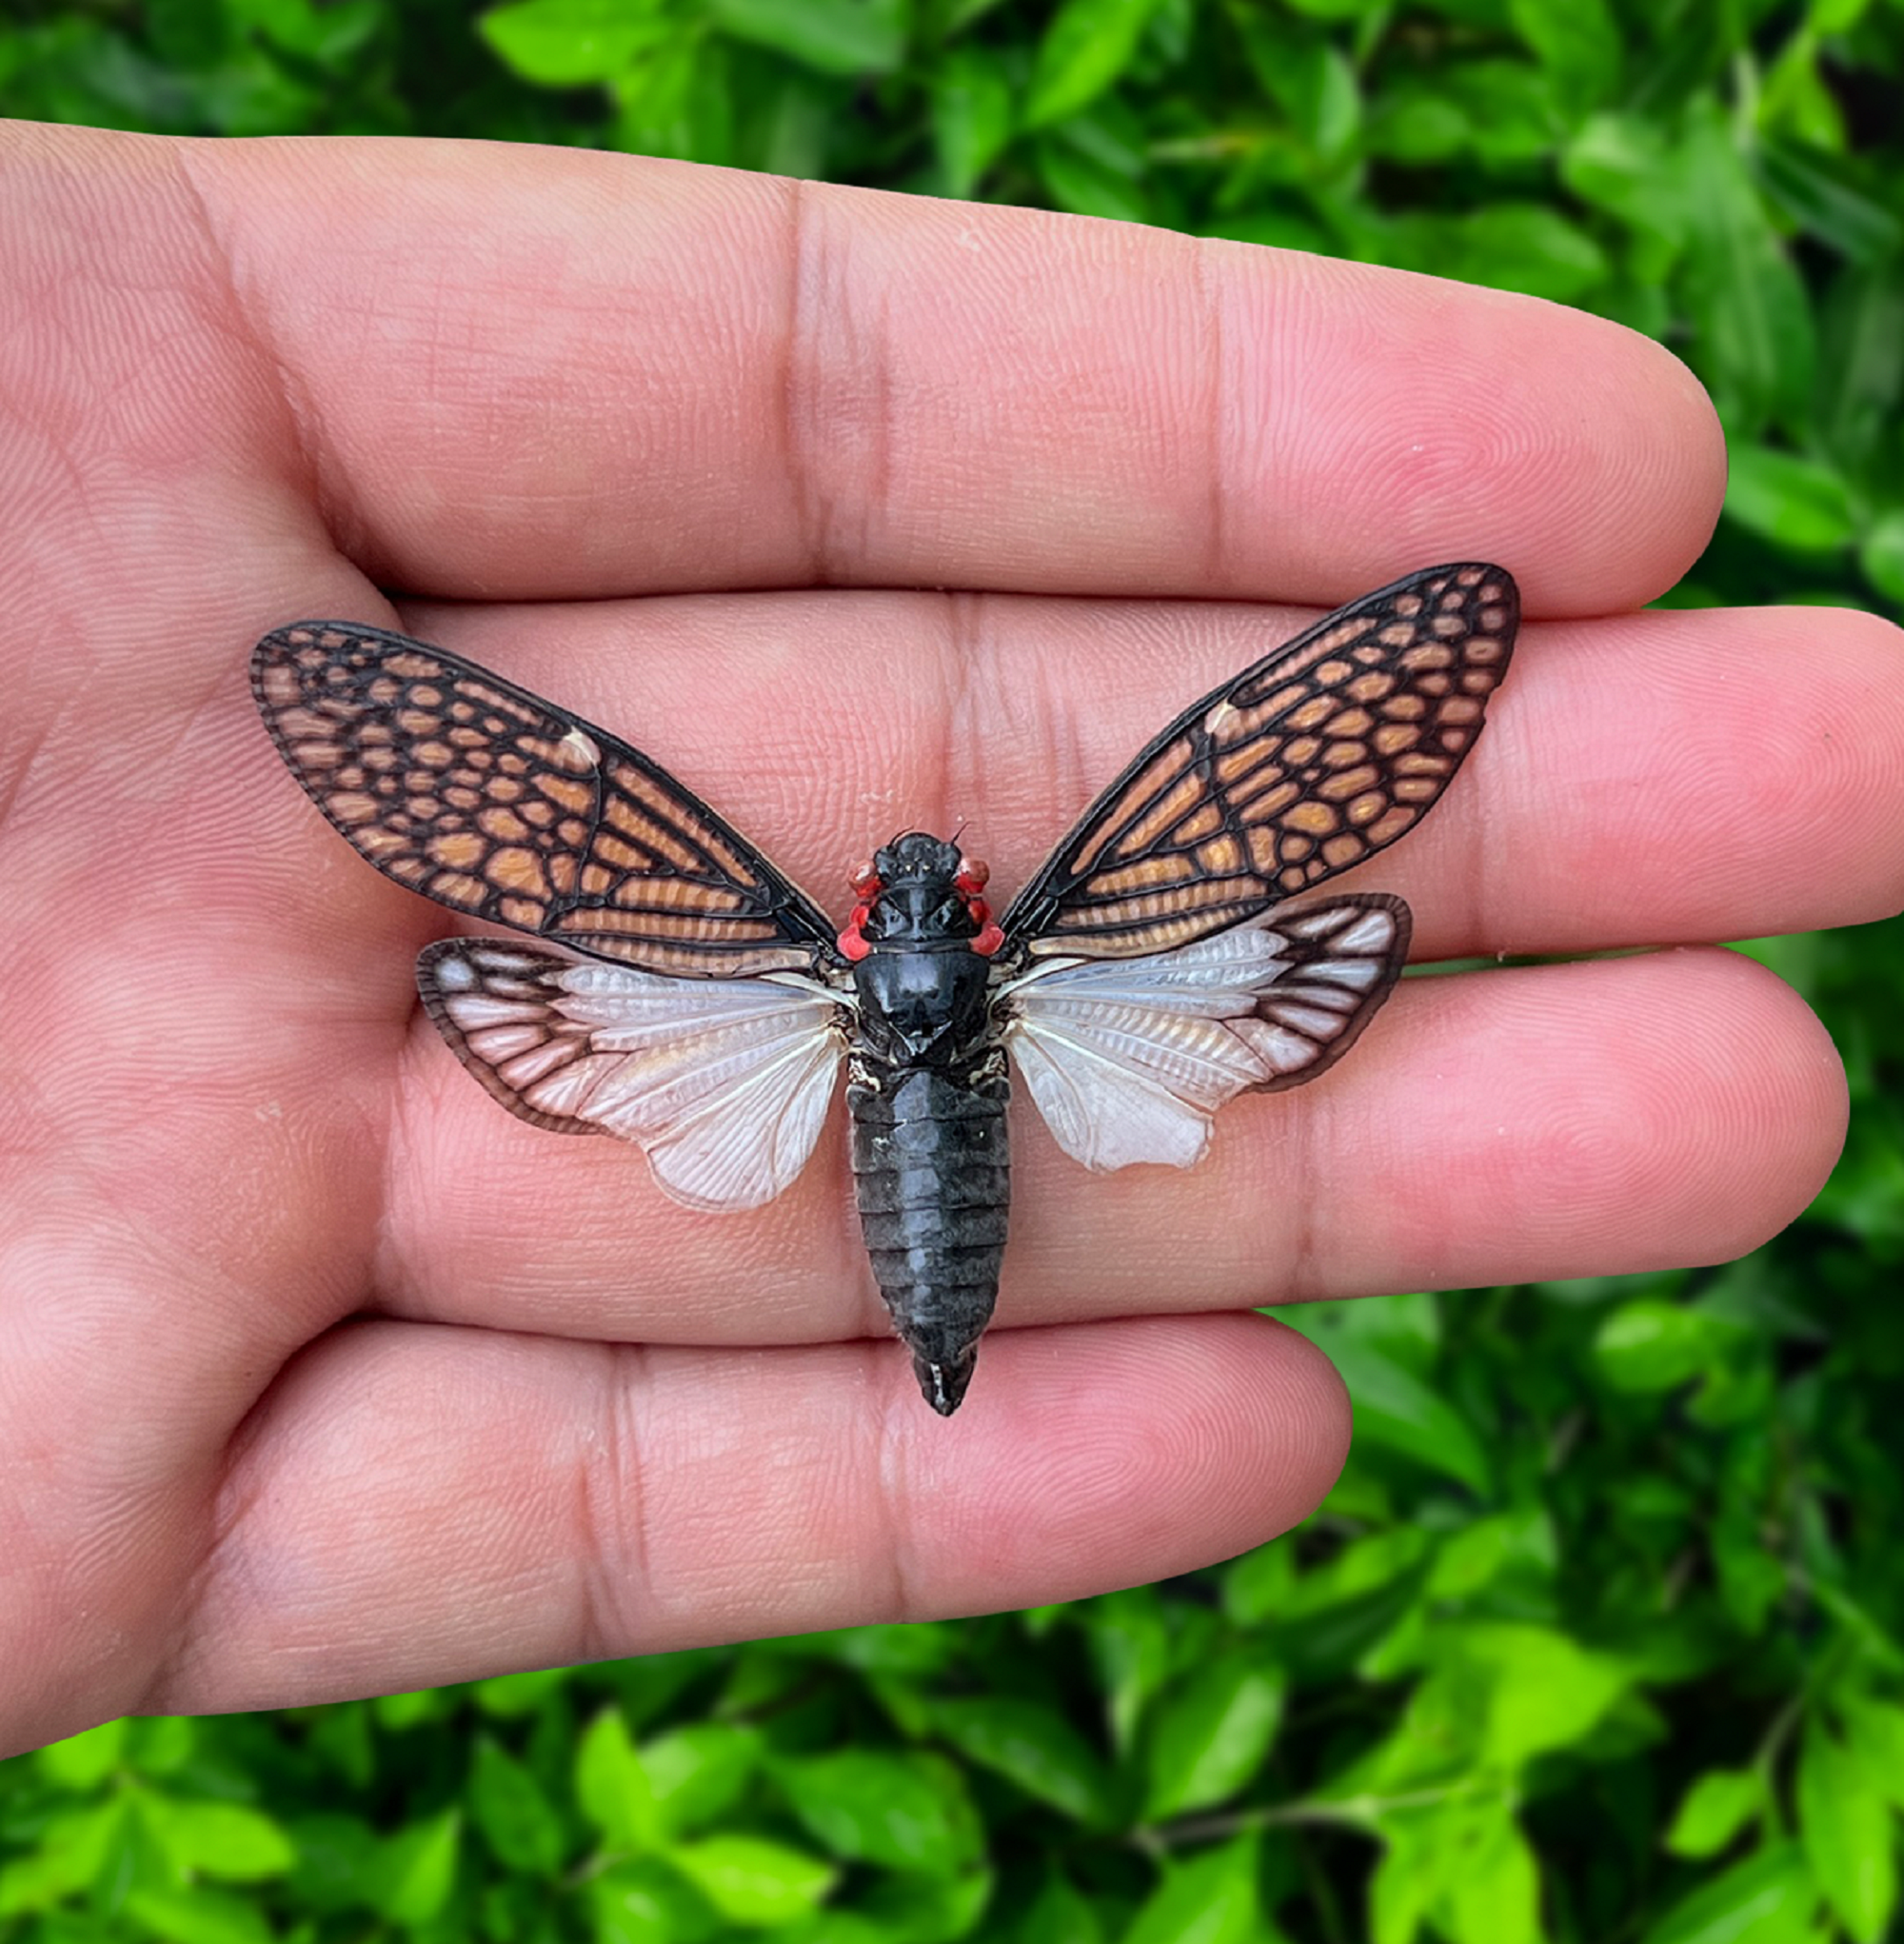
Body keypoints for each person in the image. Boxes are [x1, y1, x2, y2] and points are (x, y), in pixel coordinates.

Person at [1, 121, 1891, 1759]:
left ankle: (939, 1315)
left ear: (881, 931)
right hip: (1066, 1040)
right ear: (966, 925)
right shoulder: (1037, 928)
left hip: (823, 1060)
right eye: (945, 913)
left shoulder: (785, 939)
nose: (930, 915)